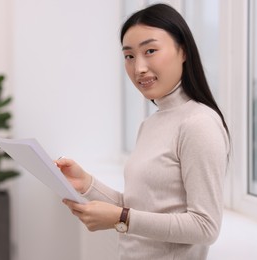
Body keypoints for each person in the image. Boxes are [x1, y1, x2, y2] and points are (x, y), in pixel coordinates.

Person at [56, 3, 230, 260]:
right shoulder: (151, 124)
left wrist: (121, 218)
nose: (139, 68)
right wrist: (87, 183)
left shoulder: (199, 123)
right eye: (129, 56)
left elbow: (205, 227)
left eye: (150, 51)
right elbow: (143, 208)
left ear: (183, 51)